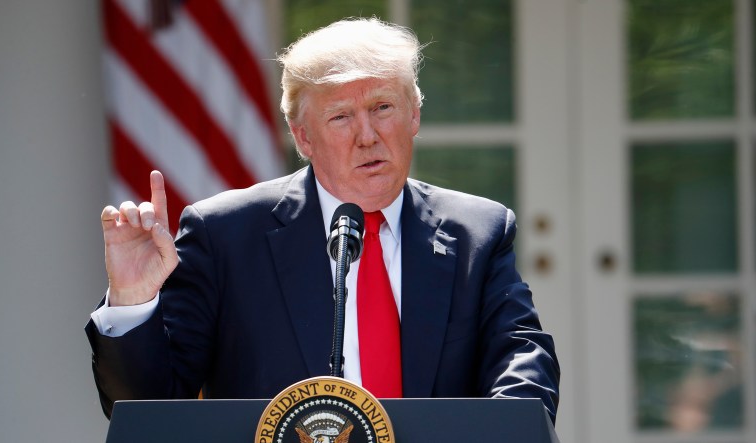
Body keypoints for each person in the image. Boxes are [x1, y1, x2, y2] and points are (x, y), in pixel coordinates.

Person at [86, 17, 560, 423]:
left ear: (414, 114)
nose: (367, 136)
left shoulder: (477, 231)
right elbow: (148, 406)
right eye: (340, 118)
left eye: (382, 108)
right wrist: (131, 300)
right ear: (303, 137)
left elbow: (521, 360)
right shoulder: (226, 235)